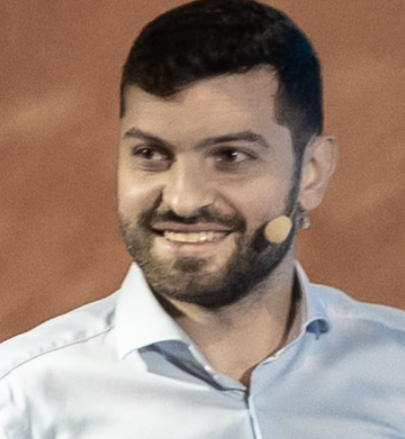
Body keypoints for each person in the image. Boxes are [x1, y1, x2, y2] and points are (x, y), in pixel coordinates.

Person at [1, 0, 405, 437]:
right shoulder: (22, 398)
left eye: (231, 156)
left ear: (312, 172)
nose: (183, 200)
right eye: (150, 154)